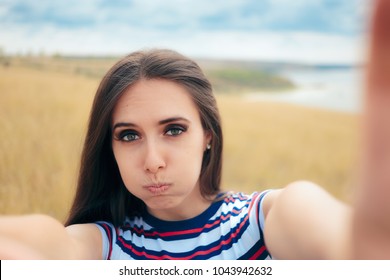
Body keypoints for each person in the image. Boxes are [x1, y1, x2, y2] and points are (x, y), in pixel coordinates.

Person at [1, 0, 390, 260]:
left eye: (173, 130)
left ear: (208, 135)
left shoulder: (267, 219)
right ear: (110, 147)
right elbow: (47, 244)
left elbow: (344, 246)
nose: (152, 162)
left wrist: (370, 245)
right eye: (129, 135)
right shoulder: (102, 246)